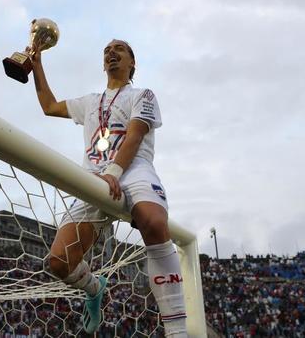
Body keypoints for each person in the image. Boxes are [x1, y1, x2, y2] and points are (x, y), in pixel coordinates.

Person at [28, 39, 187, 337]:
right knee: (59, 262)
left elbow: (136, 134)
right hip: (94, 179)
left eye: (120, 49)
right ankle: (94, 287)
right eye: (107, 51)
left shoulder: (143, 95)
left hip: (133, 169)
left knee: (153, 222)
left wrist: (114, 171)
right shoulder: (90, 102)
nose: (112, 52)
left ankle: (177, 331)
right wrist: (37, 66)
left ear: (132, 63)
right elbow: (49, 106)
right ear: (103, 64)